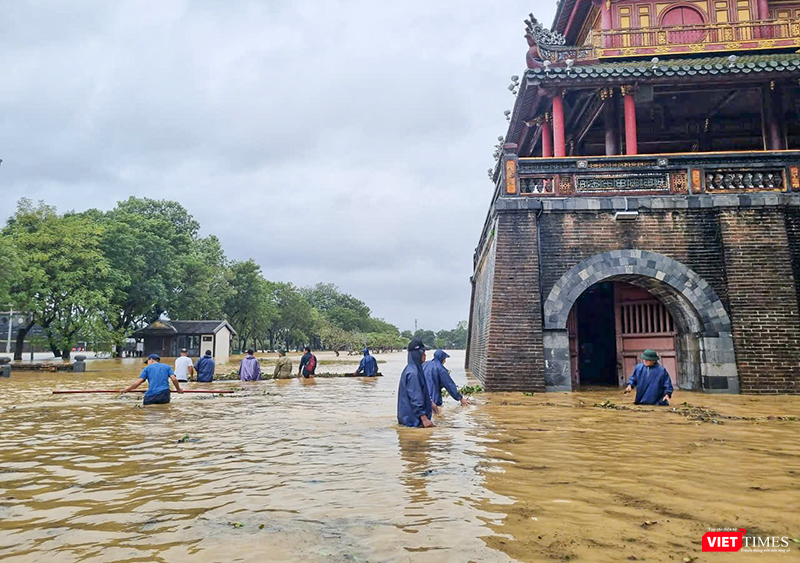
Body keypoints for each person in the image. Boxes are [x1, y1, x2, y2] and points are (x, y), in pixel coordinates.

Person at [397, 339, 435, 428]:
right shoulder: (413, 373)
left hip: (410, 420)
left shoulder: (414, 369)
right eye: (423, 353)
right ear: (418, 353)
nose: (425, 356)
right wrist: (424, 419)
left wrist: (430, 403)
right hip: (413, 422)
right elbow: (415, 397)